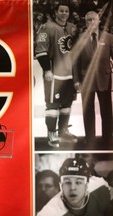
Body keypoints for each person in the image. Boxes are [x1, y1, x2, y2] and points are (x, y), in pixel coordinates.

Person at [35, 3, 78, 148]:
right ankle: (52, 132)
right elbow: (41, 51)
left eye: (66, 11)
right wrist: (47, 70)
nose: (64, 13)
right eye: (61, 11)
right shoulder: (47, 27)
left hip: (70, 74)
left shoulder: (72, 27)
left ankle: (63, 131)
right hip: (54, 74)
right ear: (56, 12)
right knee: (53, 105)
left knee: (67, 104)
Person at [73, 11, 113, 147]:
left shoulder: (108, 38)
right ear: (85, 23)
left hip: (104, 79)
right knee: (88, 112)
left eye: (93, 20)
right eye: (88, 20)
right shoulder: (79, 39)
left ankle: (108, 139)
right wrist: (76, 80)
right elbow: (75, 63)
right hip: (86, 80)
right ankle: (90, 140)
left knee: (106, 112)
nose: (91, 22)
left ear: (99, 21)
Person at [37, 157, 113, 216]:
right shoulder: (49, 213)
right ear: (61, 186)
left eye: (78, 182)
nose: (72, 188)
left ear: (86, 185)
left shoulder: (100, 187)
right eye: (67, 182)